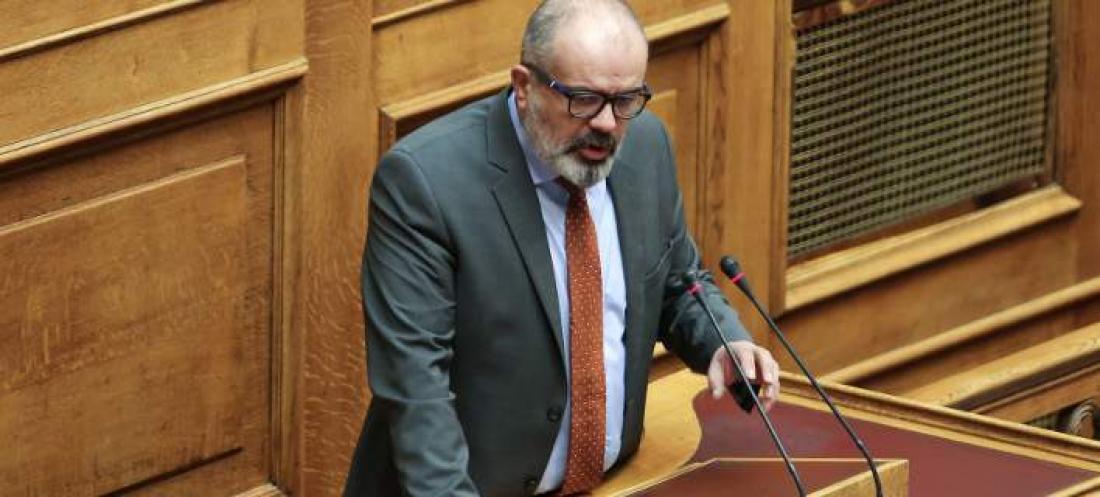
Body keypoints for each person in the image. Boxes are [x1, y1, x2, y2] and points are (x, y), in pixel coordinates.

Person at [344, 1, 780, 495]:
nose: (607, 123)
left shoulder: (646, 146)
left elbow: (677, 284)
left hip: (614, 482)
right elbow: (416, 390)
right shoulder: (425, 183)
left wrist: (724, 341)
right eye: (584, 100)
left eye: (626, 100)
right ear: (524, 87)